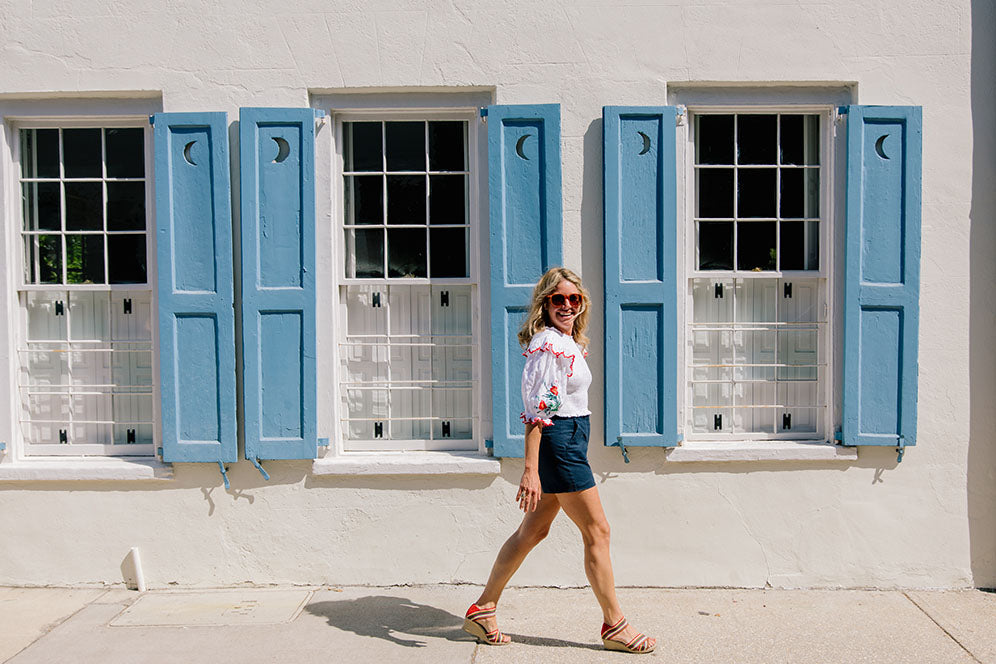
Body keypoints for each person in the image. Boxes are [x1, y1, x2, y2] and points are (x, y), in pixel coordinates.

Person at [463, 267, 656, 654]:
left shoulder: (565, 341)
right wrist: (530, 470)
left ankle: (483, 609)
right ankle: (614, 624)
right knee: (597, 531)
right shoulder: (548, 344)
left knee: (533, 532)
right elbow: (538, 413)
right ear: (544, 303)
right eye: (558, 299)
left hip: (569, 440)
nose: (566, 305)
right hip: (559, 444)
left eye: (574, 299)